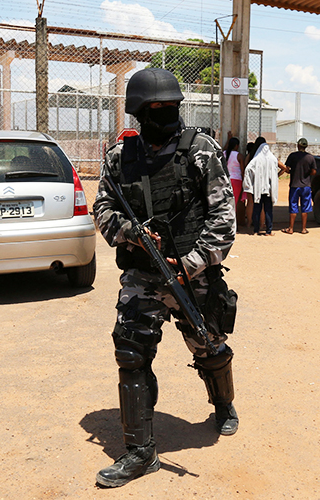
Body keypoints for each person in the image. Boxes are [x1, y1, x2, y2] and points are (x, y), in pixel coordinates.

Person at [93, 68, 239, 488]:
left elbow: (223, 221)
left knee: (209, 347)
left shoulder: (201, 151)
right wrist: (131, 233)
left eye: (173, 108)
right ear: (140, 113)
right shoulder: (121, 157)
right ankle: (141, 452)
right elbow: (104, 211)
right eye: (158, 110)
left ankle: (223, 404)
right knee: (131, 353)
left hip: (193, 275)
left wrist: (190, 263)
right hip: (143, 273)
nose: (167, 115)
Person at [242, 137, 286, 235]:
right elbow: (284, 168)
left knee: (257, 208)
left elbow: (247, 169)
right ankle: (268, 230)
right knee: (268, 210)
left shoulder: (256, 159)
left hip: (257, 188)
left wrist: (250, 182)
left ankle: (256, 230)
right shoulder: (272, 158)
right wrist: (276, 177)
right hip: (269, 189)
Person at [282, 137, 316, 234]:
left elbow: (287, 169)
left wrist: (292, 171)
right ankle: (304, 228)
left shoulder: (292, 156)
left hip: (294, 185)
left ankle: (291, 228)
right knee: (305, 207)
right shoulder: (310, 157)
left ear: (298, 146)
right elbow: (314, 172)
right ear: (306, 146)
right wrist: (307, 173)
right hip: (306, 186)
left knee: (293, 206)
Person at [223, 133, 246, 229]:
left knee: (225, 202)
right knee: (234, 203)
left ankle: (225, 223)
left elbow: (223, 150)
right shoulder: (239, 156)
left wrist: (228, 140)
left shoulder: (223, 153)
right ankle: (233, 225)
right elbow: (242, 171)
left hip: (225, 180)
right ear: (237, 146)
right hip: (236, 181)